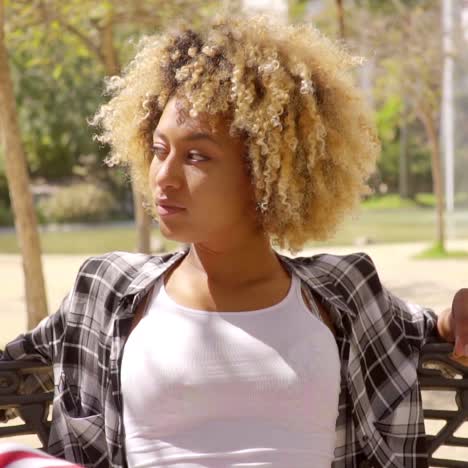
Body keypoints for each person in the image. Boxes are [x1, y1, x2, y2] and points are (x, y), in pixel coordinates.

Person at [1, 14, 467, 468]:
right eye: (160, 150)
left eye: (197, 156)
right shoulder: (106, 290)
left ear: (265, 174)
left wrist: (454, 319)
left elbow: (426, 331)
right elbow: (14, 372)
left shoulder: (342, 292)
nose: (163, 177)